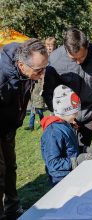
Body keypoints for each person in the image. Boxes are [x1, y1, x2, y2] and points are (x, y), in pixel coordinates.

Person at [43, 28, 92, 153]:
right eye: (73, 59)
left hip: (89, 116)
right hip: (64, 119)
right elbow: (48, 93)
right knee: (65, 156)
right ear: (65, 49)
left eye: (81, 57)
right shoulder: (55, 59)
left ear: (87, 46)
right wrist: (63, 116)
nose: (78, 62)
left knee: (84, 156)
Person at [0, 39, 48, 220]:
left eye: (45, 67)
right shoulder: (2, 77)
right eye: (38, 70)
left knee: (10, 167)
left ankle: (12, 208)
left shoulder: (27, 70)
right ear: (21, 65)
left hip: (8, 127)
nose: (43, 74)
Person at [41, 85, 92, 185]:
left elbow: (70, 148)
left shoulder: (65, 124)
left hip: (71, 174)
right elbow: (53, 163)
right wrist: (76, 161)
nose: (77, 115)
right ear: (65, 110)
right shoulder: (54, 132)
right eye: (75, 112)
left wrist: (87, 149)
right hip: (61, 179)